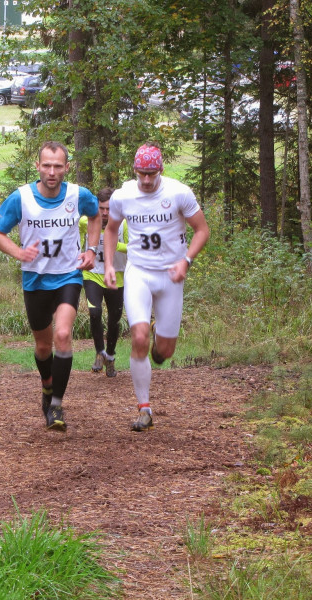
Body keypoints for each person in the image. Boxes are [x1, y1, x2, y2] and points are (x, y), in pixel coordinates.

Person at [0, 141, 101, 431]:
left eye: (58, 166)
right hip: (35, 279)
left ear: (66, 168)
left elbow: (96, 215)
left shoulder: (79, 195)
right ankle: (47, 385)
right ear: (38, 166)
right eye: (47, 165)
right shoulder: (21, 198)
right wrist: (19, 252)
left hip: (68, 275)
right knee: (43, 346)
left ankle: (56, 406)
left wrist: (91, 250)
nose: (52, 171)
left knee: (63, 334)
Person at [103, 143, 209, 431]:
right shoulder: (123, 195)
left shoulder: (178, 193)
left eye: (152, 174)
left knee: (164, 351)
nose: (147, 180)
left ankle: (158, 344)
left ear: (161, 170)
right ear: (135, 171)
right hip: (139, 272)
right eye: (142, 174)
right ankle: (144, 409)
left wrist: (186, 261)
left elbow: (203, 229)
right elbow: (111, 230)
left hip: (171, 276)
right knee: (138, 337)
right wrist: (110, 265)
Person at [79, 187, 128, 377]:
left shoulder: (123, 225)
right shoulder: (86, 222)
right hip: (92, 274)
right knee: (94, 311)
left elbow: (135, 248)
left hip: (117, 276)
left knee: (114, 321)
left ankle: (111, 356)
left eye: (109, 209)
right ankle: (100, 352)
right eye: (102, 209)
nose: (105, 213)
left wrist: (115, 244)